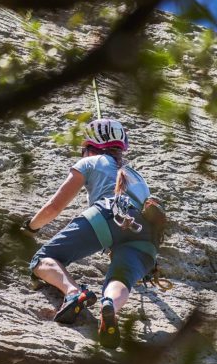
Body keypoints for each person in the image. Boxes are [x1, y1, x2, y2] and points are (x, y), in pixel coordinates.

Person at [24, 118, 157, 349]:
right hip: (146, 238)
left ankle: (74, 293)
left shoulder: (91, 162)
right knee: (120, 279)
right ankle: (110, 306)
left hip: (107, 216)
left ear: (90, 147)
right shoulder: (138, 178)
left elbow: (55, 207)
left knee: (42, 260)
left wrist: (30, 228)